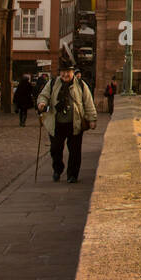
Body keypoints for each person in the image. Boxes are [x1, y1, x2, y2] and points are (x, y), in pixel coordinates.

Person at [37, 53, 98, 183]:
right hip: (56, 123)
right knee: (55, 149)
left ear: (72, 72)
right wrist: (41, 103)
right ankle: (57, 169)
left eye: (68, 72)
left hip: (74, 123)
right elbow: (44, 95)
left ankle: (72, 174)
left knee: (75, 152)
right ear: (60, 73)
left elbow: (88, 102)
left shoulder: (81, 85)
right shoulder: (52, 83)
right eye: (63, 72)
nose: (65, 75)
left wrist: (92, 119)